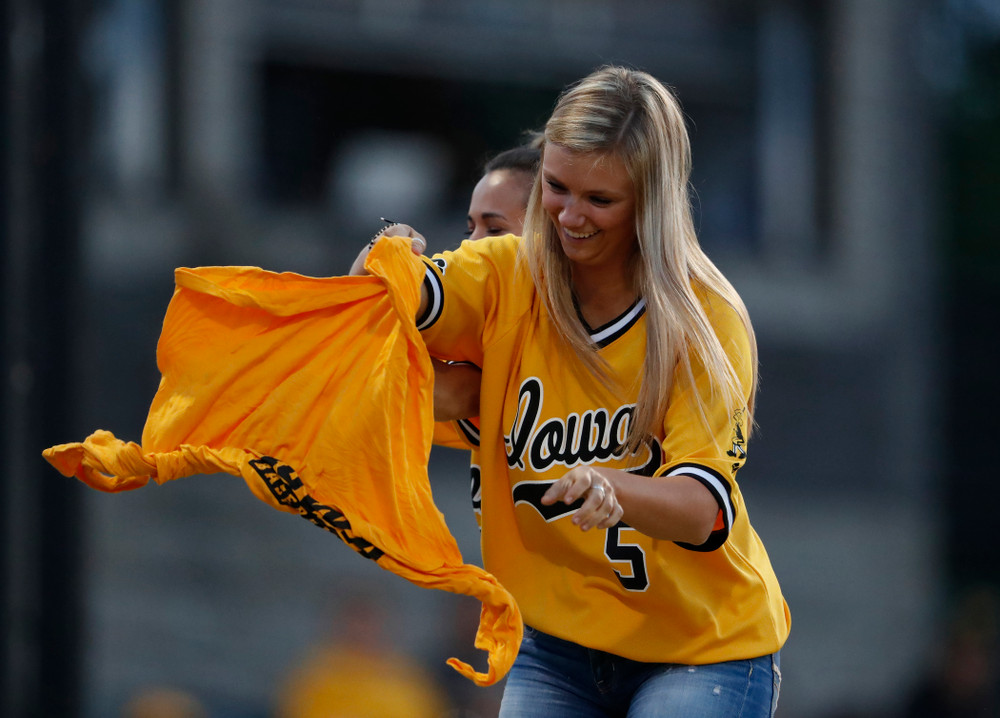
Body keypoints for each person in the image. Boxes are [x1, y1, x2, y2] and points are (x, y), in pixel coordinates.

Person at [358, 63, 794, 717]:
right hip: (556, 646)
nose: (568, 215)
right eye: (556, 188)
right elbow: (397, 302)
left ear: (650, 202)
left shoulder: (705, 320)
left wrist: (612, 487)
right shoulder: (508, 273)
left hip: (701, 648)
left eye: (599, 199)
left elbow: (703, 508)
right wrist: (376, 272)